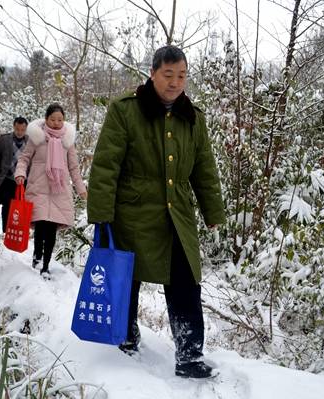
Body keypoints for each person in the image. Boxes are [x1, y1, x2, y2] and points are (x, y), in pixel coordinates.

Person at [87, 45, 224, 379]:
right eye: (168, 75)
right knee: (126, 279)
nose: (176, 82)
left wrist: (213, 210)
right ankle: (126, 335)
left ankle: (189, 355)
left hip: (176, 216)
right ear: (152, 73)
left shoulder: (193, 118)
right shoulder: (126, 110)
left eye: (182, 75)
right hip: (132, 213)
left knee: (186, 282)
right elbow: (106, 165)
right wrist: (102, 214)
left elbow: (204, 167)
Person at [14, 104, 87, 278]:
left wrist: (81, 189)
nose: (56, 123)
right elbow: (24, 159)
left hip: (59, 190)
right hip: (38, 187)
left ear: (64, 121)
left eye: (60, 120)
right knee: (40, 225)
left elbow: (74, 168)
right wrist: (20, 174)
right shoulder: (36, 138)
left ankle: (45, 265)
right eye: (52, 119)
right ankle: (37, 256)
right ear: (46, 119)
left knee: (51, 228)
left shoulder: (67, 142)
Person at [0, 116, 29, 232]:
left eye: (22, 130)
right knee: (7, 205)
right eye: (17, 129)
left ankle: (18, 229)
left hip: (22, 179)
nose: (20, 132)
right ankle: (6, 231)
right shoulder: (4, 139)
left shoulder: (30, 142)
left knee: (20, 205)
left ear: (26, 129)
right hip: (6, 178)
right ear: (14, 127)